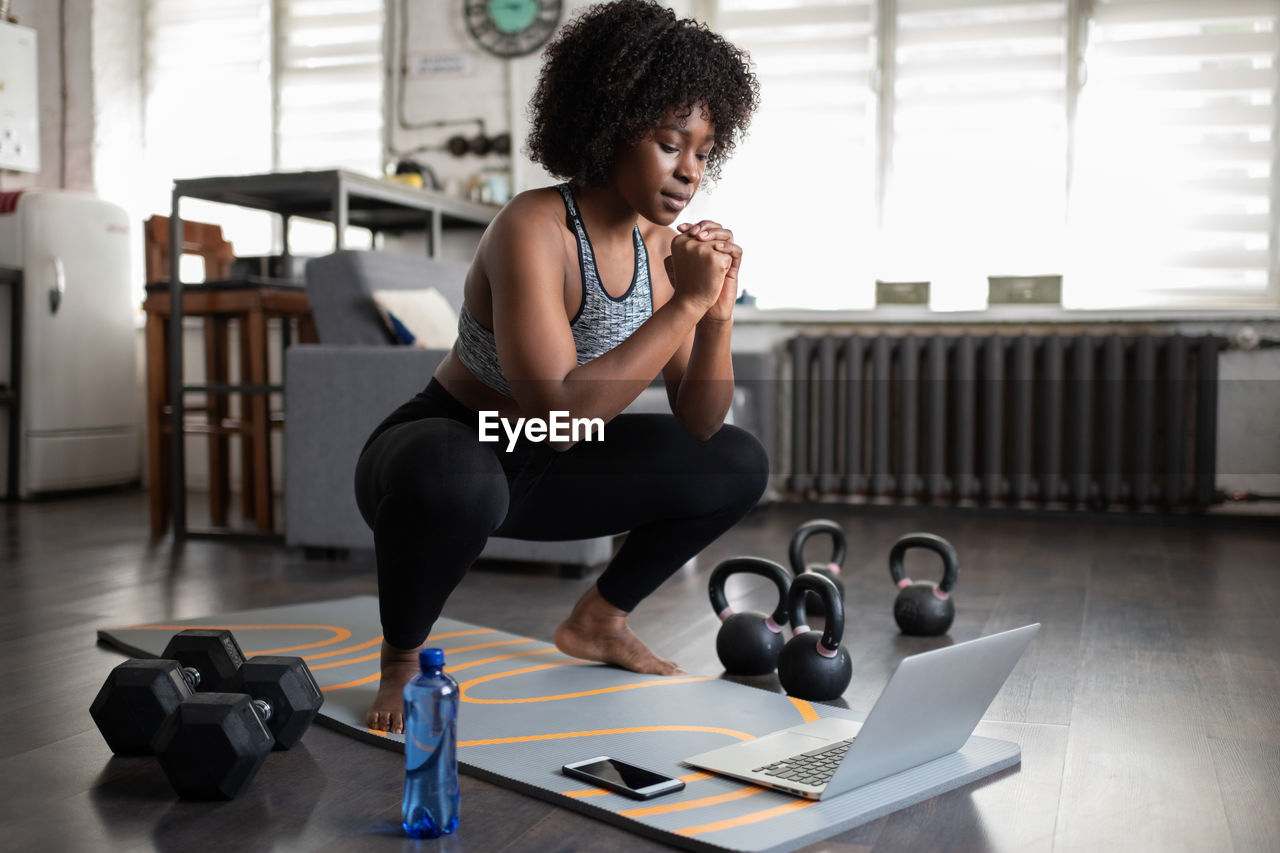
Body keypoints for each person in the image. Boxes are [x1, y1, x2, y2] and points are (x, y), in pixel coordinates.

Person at [355, 0, 765, 733]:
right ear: (610, 125)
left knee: (736, 461)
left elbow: (701, 421)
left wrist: (716, 315)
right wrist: (682, 306)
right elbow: (556, 415)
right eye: (672, 143)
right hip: (449, 444)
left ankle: (599, 620)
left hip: (544, 470)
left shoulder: (663, 250)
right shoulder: (534, 226)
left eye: (704, 152)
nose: (689, 172)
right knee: (459, 476)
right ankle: (402, 657)